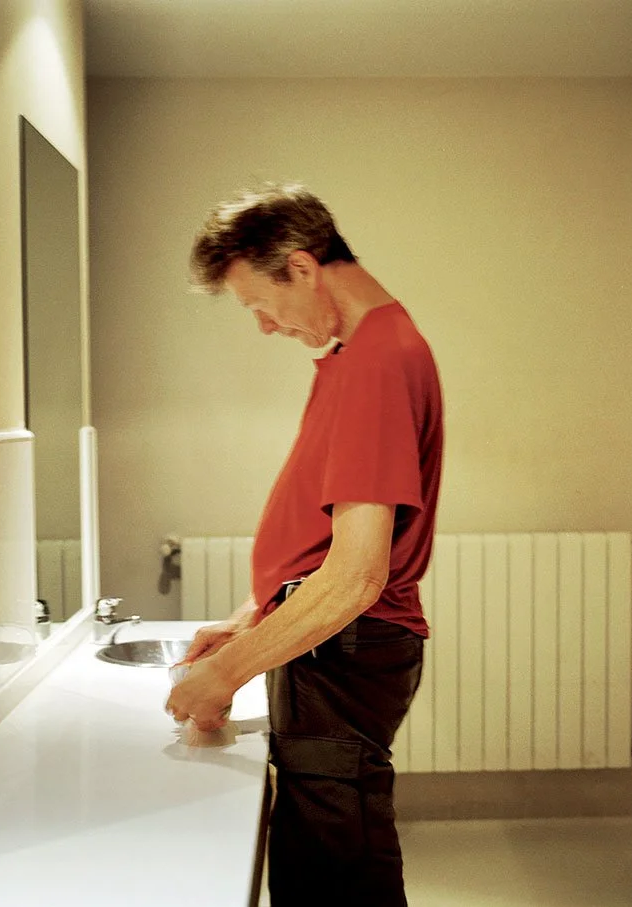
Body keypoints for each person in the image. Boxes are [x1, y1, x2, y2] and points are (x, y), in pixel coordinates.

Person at [165, 183, 444, 906]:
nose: (263, 326)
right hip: (335, 646)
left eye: (258, 302)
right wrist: (252, 614)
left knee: (336, 875)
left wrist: (223, 675)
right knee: (324, 859)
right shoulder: (363, 353)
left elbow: (355, 577)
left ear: (300, 267)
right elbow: (323, 545)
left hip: (344, 651)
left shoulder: (379, 362)